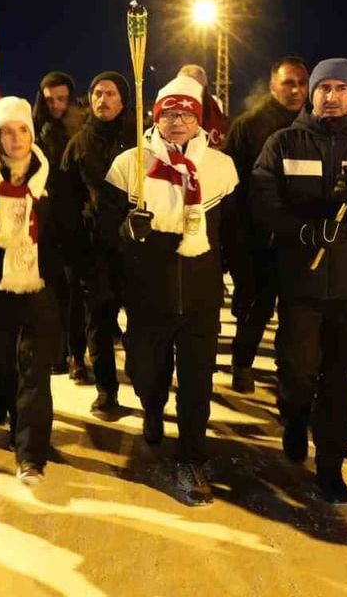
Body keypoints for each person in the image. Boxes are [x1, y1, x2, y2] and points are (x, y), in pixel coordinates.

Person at [250, 58, 347, 503]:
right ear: (311, 94)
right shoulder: (284, 142)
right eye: (324, 88)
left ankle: (330, 465)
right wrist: (302, 231)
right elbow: (262, 202)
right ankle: (295, 416)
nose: (332, 96)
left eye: (341, 88)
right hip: (301, 282)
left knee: (341, 380)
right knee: (299, 373)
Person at [102, 75, 239, 505]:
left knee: (197, 383)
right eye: (169, 114)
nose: (177, 122)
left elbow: (236, 234)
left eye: (185, 114)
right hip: (149, 294)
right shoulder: (130, 165)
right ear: (155, 117)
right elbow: (103, 231)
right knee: (148, 373)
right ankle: (151, 406)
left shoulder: (221, 167)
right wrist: (127, 228)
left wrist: (239, 280)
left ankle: (192, 456)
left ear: (198, 120)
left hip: (200, 295)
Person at [0, 97, 67, 484]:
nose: (15, 138)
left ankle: (31, 454)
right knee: (5, 364)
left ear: (31, 132)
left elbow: (67, 233)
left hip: (40, 288)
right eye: (6, 132)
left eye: (22, 129)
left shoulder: (49, 179)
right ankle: (15, 426)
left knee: (35, 370)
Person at [223, 56, 309, 393]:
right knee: (256, 307)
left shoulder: (313, 125)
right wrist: (234, 243)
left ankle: (290, 370)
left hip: (299, 238)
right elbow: (232, 189)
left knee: (297, 310)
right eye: (289, 83)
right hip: (256, 239)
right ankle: (242, 363)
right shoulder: (249, 126)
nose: (296, 90)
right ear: (273, 85)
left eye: (302, 83)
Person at [60, 72, 139, 414]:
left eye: (110, 94)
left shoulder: (140, 140)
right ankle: (107, 389)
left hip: (136, 247)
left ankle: (141, 373)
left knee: (140, 320)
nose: (102, 100)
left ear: (123, 100)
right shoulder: (78, 144)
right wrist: (74, 244)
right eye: (96, 94)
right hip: (95, 250)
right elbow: (66, 199)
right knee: (99, 321)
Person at [32, 71, 88, 375]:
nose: (55, 105)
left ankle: (77, 354)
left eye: (62, 98)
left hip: (75, 220)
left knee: (76, 292)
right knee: (50, 291)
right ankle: (56, 350)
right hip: (44, 223)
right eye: (50, 98)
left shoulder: (80, 129)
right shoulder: (35, 130)